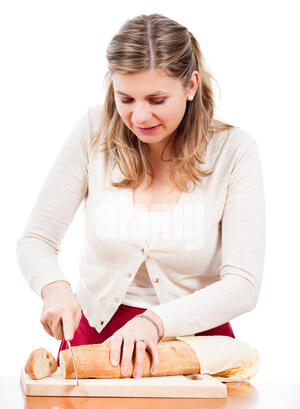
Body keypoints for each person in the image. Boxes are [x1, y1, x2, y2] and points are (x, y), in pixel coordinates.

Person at [16, 13, 265, 379]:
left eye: (156, 98)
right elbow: (36, 240)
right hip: (95, 344)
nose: (140, 115)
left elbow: (243, 285)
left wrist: (155, 321)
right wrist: (54, 288)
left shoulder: (234, 151)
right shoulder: (93, 132)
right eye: (126, 98)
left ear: (191, 85)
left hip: (196, 348)